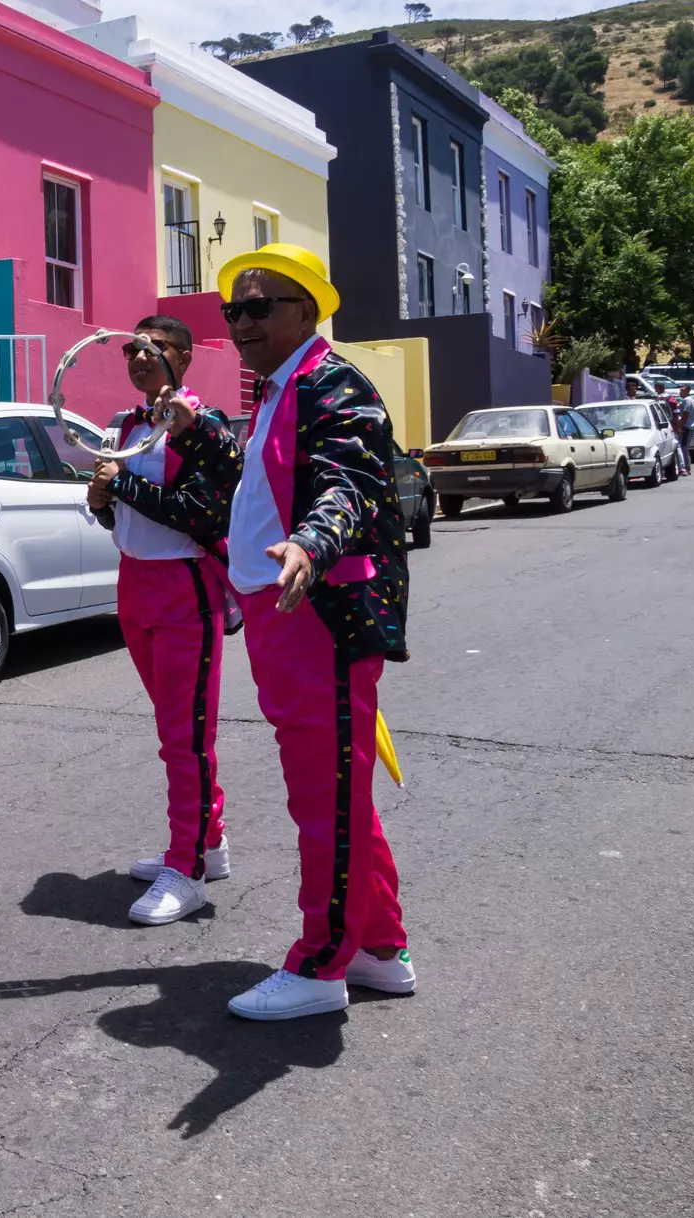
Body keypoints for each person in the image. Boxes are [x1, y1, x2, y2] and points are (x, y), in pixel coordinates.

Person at [197, 243, 417, 1022]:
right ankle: (378, 949)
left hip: (313, 609)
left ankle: (322, 964)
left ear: (307, 311)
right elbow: (263, 482)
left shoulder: (331, 382)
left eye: (261, 306)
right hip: (279, 607)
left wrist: (312, 543)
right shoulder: (278, 387)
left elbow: (349, 480)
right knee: (338, 789)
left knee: (325, 796)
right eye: (234, 309)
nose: (244, 321)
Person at [84, 315, 245, 926]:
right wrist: (101, 502)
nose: (138, 358)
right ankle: (208, 841)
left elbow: (200, 515)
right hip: (135, 584)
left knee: (186, 735)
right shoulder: (128, 425)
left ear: (184, 357)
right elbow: (121, 517)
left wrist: (121, 484)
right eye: (131, 349)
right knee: (173, 727)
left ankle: (188, 867)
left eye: (152, 349)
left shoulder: (204, 426)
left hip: (184, 587)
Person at [674, 387, 694, 470]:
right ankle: (686, 467)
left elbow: (686, 414)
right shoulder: (687, 400)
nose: (680, 392)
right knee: (684, 447)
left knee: (684, 447)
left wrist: (680, 426)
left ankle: (686, 467)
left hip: (687, 427)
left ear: (688, 391)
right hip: (687, 426)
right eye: (680, 390)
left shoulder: (687, 400)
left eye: (682, 390)